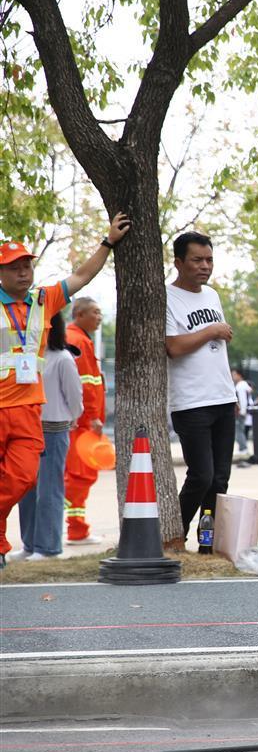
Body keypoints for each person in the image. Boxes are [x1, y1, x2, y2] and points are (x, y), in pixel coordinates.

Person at [0, 213, 127, 569]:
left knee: (25, 479)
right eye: (14, 268)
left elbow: (82, 276)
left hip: (30, 410)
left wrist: (107, 243)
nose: (23, 273)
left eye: (27, 266)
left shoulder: (44, 300)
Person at [164, 232, 238, 549]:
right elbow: (173, 347)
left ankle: (207, 543)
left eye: (209, 260)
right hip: (191, 402)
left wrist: (230, 393)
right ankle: (175, 536)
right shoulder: (167, 297)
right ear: (179, 262)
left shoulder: (212, 295)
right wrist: (212, 330)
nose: (205, 266)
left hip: (223, 397)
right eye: (197, 260)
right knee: (201, 476)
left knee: (219, 481)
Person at [13, 314, 82, 561]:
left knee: (49, 489)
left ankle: (48, 547)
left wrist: (74, 416)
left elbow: (74, 395)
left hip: (53, 428)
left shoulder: (62, 357)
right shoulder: (26, 356)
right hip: (26, 427)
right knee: (27, 489)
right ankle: (30, 544)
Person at [63, 296, 106, 544]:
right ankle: (76, 530)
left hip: (79, 421)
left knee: (76, 475)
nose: (99, 317)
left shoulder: (77, 339)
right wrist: (92, 418)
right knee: (80, 476)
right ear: (79, 315)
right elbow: (85, 386)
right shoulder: (78, 341)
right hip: (82, 424)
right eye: (95, 312)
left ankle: (75, 527)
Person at [232, 369, 253, 458]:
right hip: (243, 411)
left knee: (239, 431)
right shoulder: (243, 385)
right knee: (240, 430)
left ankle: (243, 448)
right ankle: (243, 448)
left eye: (234, 375)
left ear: (239, 375)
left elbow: (243, 399)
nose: (233, 377)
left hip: (241, 412)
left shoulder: (240, 386)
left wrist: (242, 411)